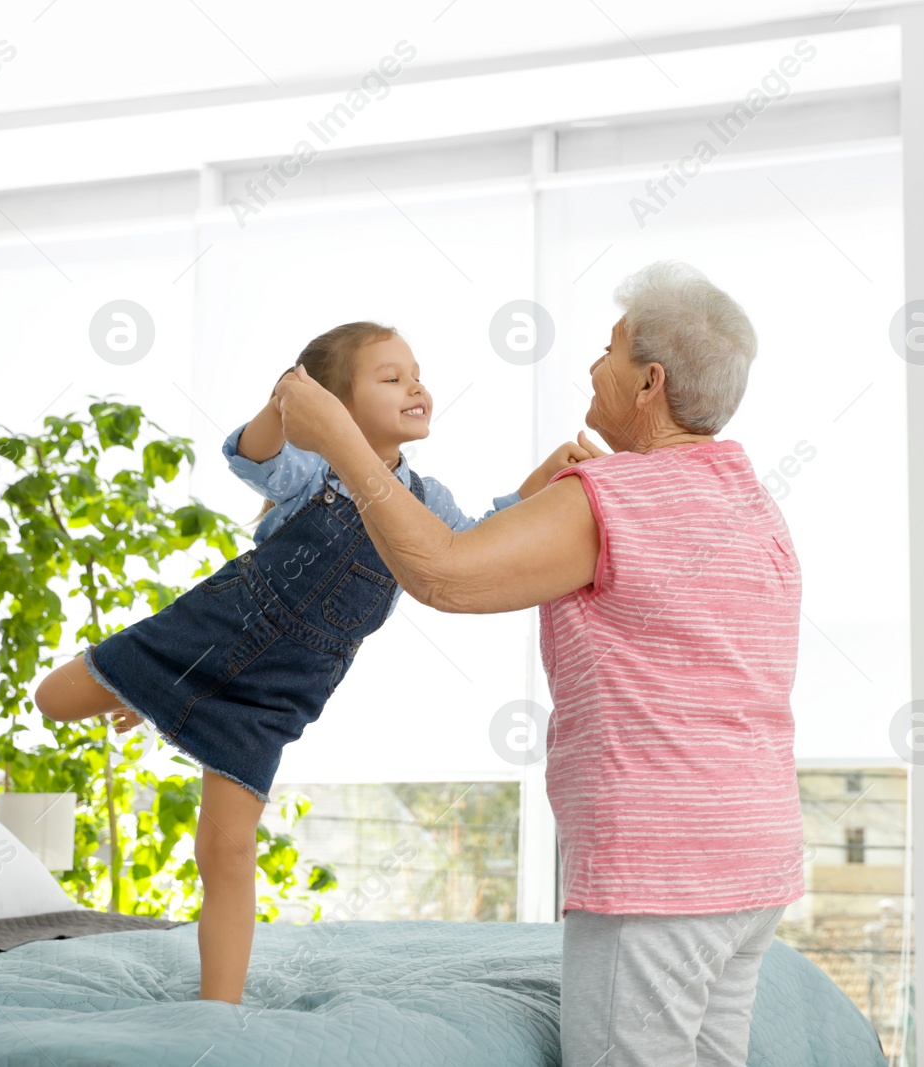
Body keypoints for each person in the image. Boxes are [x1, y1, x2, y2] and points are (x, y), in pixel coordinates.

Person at [275, 262, 804, 1066]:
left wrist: (342, 441)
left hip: (658, 873)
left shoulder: (607, 498)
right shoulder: (746, 497)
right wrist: (552, 498)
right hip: (752, 858)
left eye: (611, 349)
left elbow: (444, 573)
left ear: (649, 382)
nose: (595, 365)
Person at [33, 320, 592, 1004]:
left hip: (275, 698)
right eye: (390, 377)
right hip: (208, 632)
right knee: (53, 699)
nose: (415, 385)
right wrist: (283, 405)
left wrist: (544, 480)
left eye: (416, 373)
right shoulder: (315, 469)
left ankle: (217, 1008)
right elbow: (254, 454)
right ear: (338, 406)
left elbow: (477, 539)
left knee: (227, 850)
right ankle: (148, 689)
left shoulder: (425, 501)